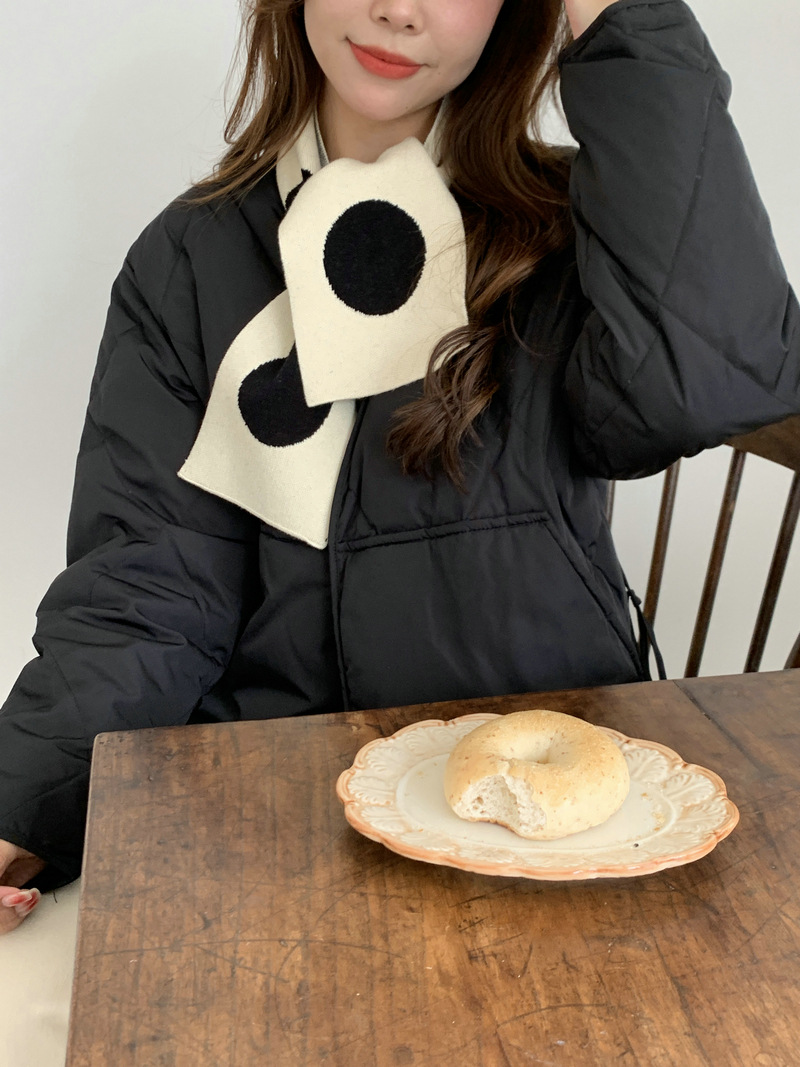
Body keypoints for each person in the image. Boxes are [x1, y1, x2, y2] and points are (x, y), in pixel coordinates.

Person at [2, 0, 799, 1058]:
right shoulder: (191, 260)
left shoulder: (568, 228)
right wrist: (22, 806)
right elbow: (145, 589)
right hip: (274, 816)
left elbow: (712, 379)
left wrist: (619, 19)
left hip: (549, 819)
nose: (399, 9)